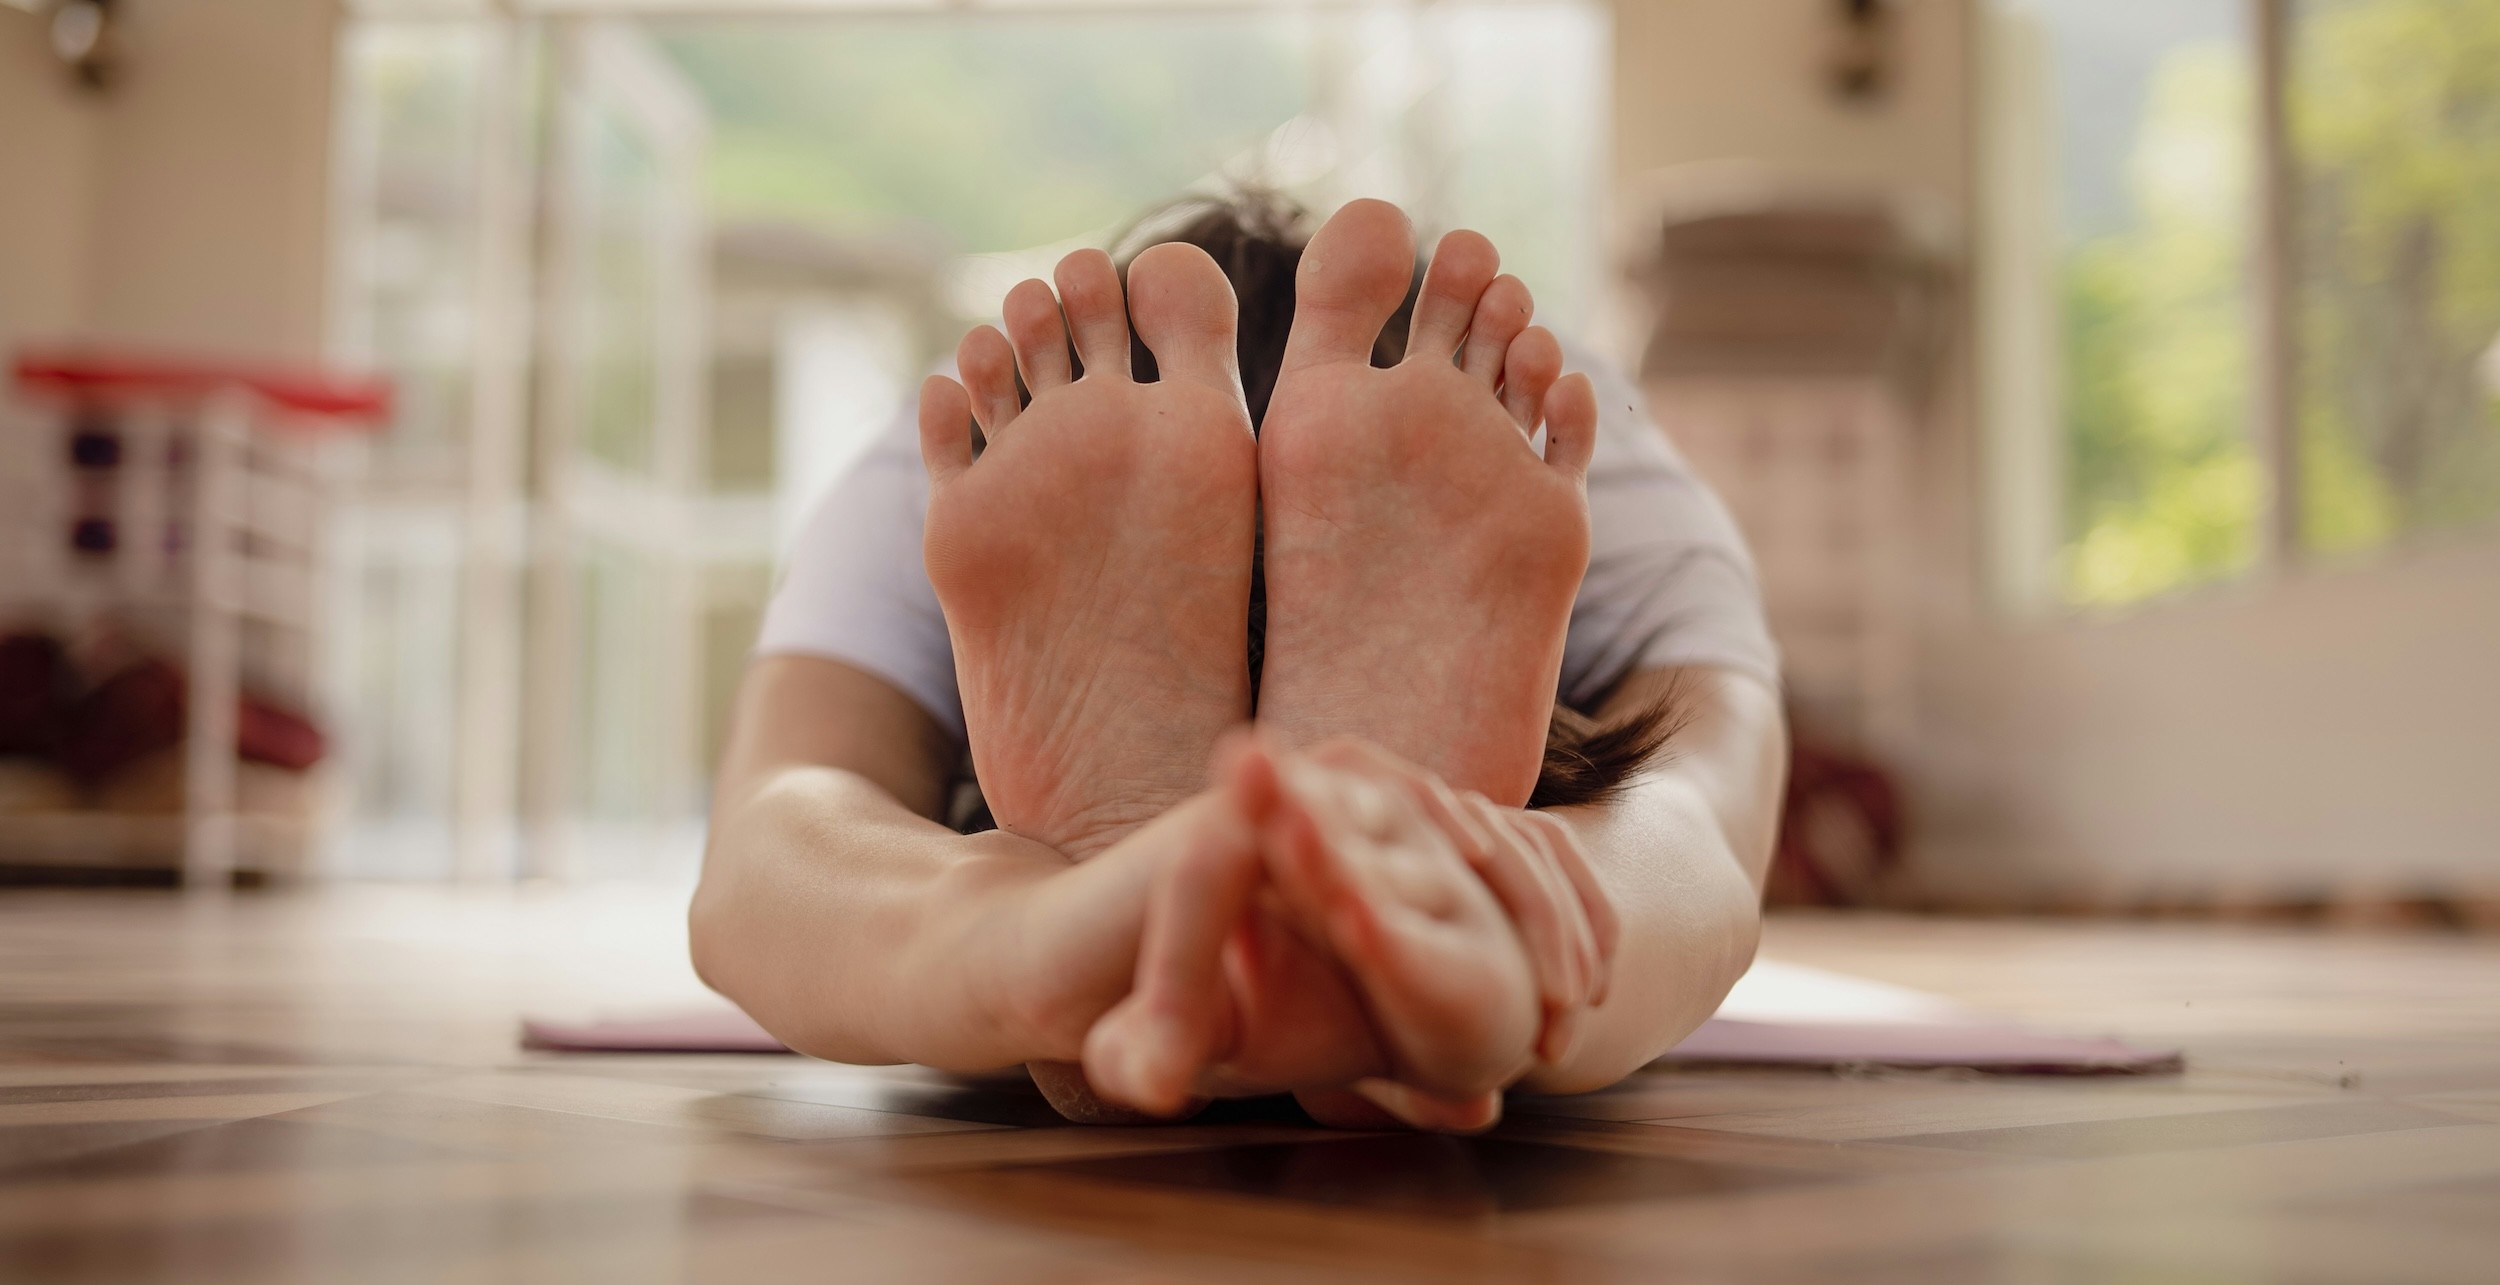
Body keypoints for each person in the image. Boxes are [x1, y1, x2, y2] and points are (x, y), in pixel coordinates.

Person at [693, 193, 1787, 1130]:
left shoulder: (976, 426)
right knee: (1660, 840)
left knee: (1665, 828)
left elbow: (773, 831)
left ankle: (1062, 939)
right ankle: (1462, 941)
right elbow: (1703, 828)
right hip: (1501, 772)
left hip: (1039, 783)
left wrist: (996, 926)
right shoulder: (1562, 422)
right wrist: (1527, 919)